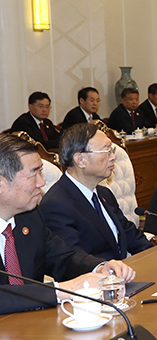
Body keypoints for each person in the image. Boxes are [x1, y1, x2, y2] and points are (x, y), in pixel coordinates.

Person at [0, 134, 134, 315]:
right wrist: (61, 290)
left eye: (41, 172)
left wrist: (100, 267)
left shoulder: (30, 217)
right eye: (33, 174)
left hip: (34, 323)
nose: (42, 182)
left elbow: (63, 257)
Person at [40, 124, 152, 260]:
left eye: (112, 151)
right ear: (80, 160)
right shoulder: (56, 204)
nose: (113, 157)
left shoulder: (104, 194)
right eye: (107, 151)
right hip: (98, 273)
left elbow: (131, 236)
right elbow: (73, 260)